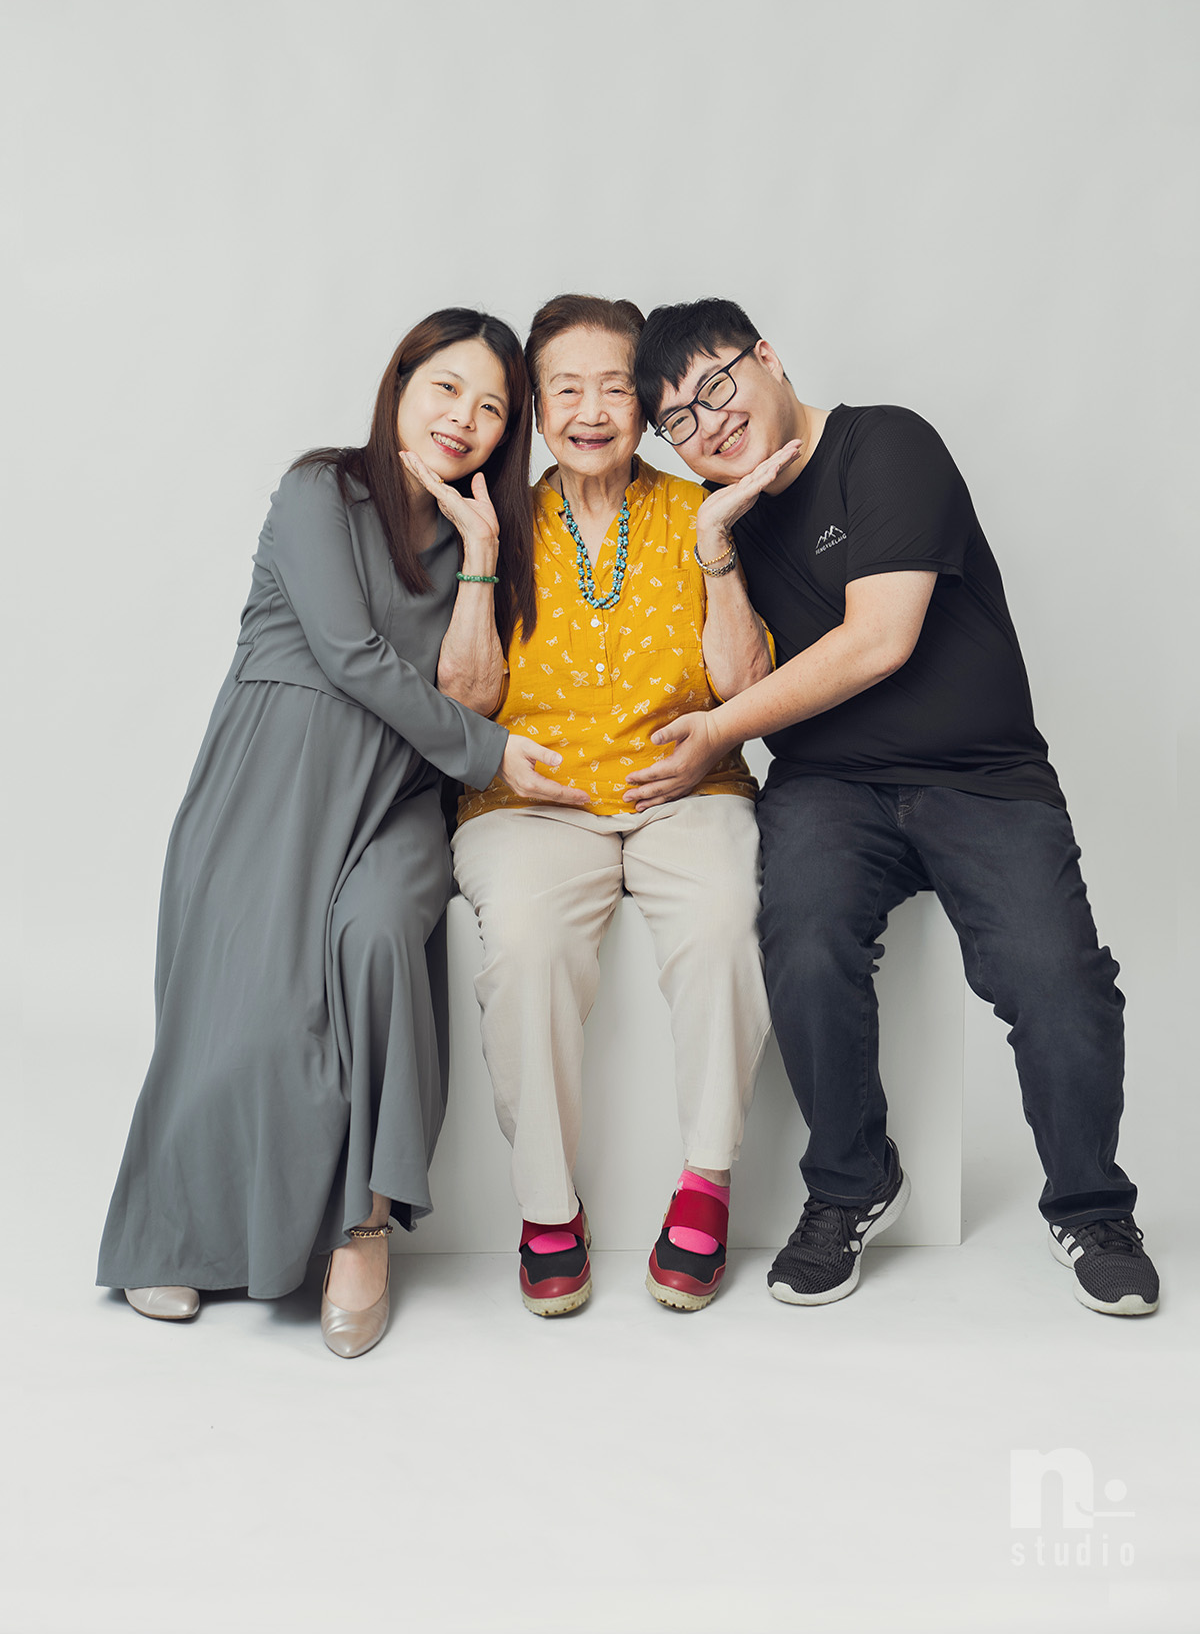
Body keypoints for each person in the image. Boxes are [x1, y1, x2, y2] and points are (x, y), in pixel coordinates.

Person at [630, 298, 1160, 1318]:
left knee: (1055, 977)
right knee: (802, 941)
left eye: (718, 385)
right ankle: (851, 1182)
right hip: (828, 786)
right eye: (679, 420)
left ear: (767, 357)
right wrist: (715, 541)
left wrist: (718, 731)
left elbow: (880, 639)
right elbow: (741, 680)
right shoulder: (724, 511)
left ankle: (1092, 1207)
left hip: (981, 774)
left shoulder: (885, 444)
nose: (710, 423)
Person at [97, 307, 587, 1357]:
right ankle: (177, 1227)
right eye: (447, 388)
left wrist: (482, 553)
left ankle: (364, 1228)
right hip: (275, 777)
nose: (465, 419)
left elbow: (471, 689)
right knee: (254, 1000)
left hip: (402, 795)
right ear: (400, 383)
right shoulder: (319, 491)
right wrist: (494, 755)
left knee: (378, 938)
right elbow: (351, 654)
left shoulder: (484, 536)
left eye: (493, 409)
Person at [450, 293, 781, 1316]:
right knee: (526, 942)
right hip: (529, 803)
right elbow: (466, 700)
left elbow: (745, 688)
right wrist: (476, 559)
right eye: (566, 390)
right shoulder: (500, 521)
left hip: (690, 785)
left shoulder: (696, 509)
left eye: (612, 388)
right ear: (537, 409)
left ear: (643, 404)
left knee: (726, 916)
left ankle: (707, 1181)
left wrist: (717, 543)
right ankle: (548, 1207)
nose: (591, 411)